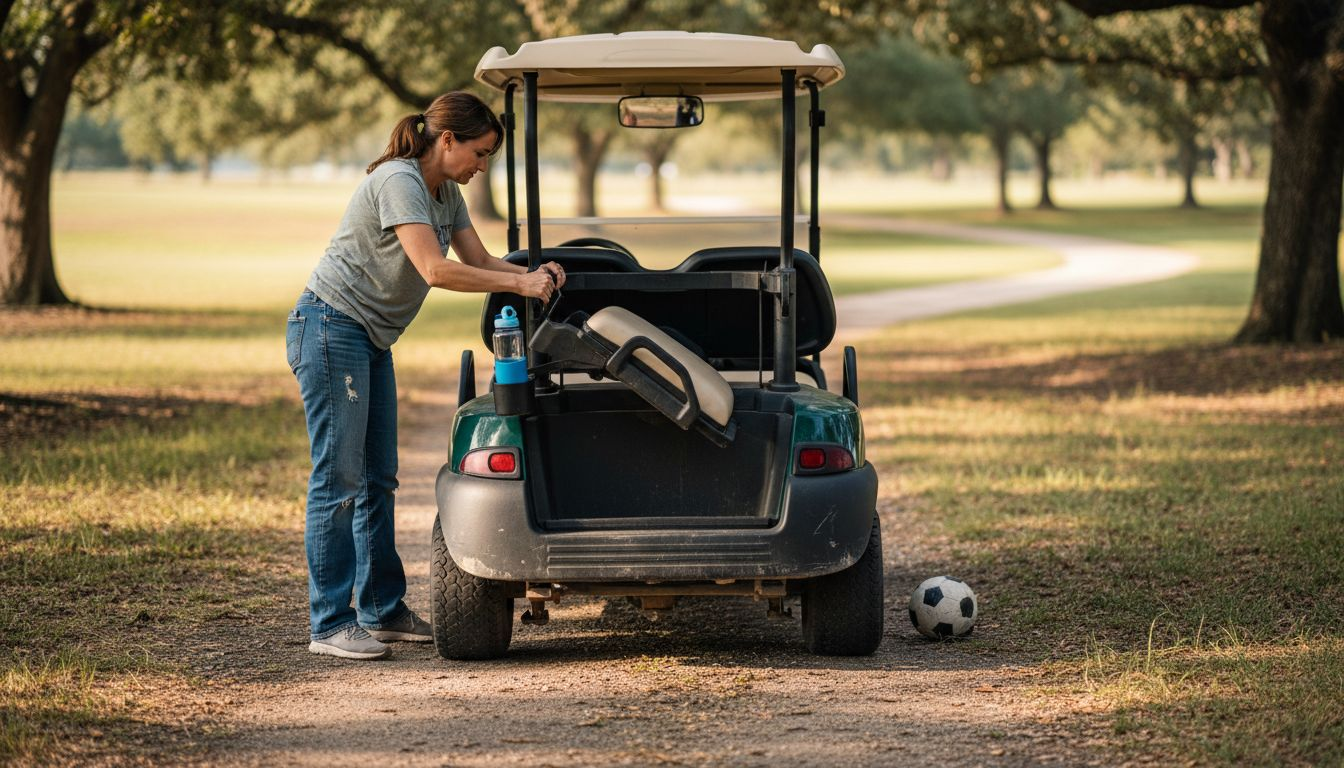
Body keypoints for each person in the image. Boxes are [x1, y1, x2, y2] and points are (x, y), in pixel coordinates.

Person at [285, 91, 565, 660]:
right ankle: (330, 623)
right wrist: (519, 286)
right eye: (480, 153)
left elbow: (483, 262)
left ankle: (382, 610)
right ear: (447, 140)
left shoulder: (447, 193)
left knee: (379, 479)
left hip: (368, 339)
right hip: (330, 328)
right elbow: (435, 269)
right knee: (338, 481)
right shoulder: (400, 181)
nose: (481, 166)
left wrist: (536, 271)